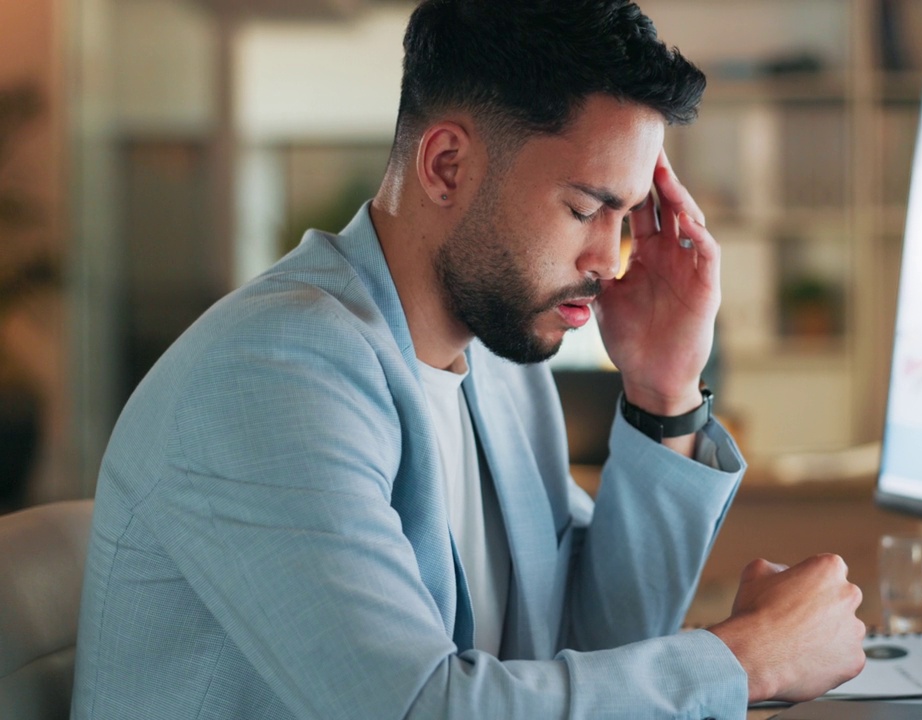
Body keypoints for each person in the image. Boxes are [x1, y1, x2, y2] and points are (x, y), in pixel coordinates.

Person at [71, 1, 866, 717]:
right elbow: (416, 708)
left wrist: (663, 391)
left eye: (625, 216)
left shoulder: (499, 358)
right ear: (446, 164)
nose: (611, 259)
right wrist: (749, 659)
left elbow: (592, 650)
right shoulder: (274, 372)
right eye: (586, 208)